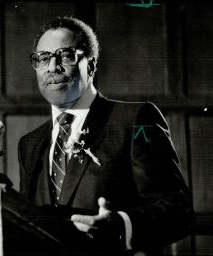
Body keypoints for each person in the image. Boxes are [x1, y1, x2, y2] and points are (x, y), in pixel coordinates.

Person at [18, 16, 193, 255]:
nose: (52, 67)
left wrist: (121, 227)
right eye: (43, 58)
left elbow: (178, 211)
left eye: (66, 55)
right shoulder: (30, 145)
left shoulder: (134, 119)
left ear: (90, 64)